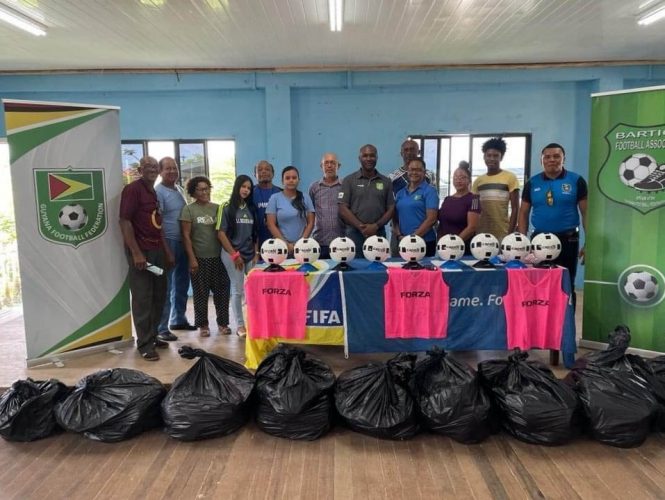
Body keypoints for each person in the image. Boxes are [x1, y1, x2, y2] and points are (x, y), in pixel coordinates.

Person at [518, 143, 588, 306]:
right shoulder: (532, 183)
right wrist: (522, 241)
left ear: (564, 158)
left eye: (556, 156)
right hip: (539, 241)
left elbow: (586, 213)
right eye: (547, 157)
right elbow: (523, 213)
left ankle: (566, 325)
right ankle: (542, 322)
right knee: (538, 283)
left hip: (568, 239)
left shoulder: (576, 181)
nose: (552, 160)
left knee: (566, 283)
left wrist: (588, 242)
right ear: (541, 160)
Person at [119, 156, 174, 362]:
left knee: (158, 294)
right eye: (147, 166)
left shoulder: (154, 192)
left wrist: (167, 252)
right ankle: (144, 344)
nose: (151, 169)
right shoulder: (133, 190)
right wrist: (136, 252)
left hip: (157, 253)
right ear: (140, 169)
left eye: (154, 166)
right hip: (141, 255)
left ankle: (152, 336)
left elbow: (158, 225)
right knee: (143, 297)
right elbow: (124, 222)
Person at [180, 176, 231, 337]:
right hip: (199, 259)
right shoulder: (188, 210)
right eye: (200, 189)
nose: (204, 192)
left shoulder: (217, 208)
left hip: (219, 258)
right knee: (200, 294)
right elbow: (186, 237)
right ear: (193, 192)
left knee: (222, 293)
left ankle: (223, 324)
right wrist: (192, 259)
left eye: (206, 188)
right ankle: (203, 325)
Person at [154, 157, 195, 341]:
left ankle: (178, 319)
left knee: (181, 284)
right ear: (160, 172)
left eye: (174, 168)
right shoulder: (159, 192)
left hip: (182, 242)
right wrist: (166, 250)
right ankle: (162, 328)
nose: (172, 171)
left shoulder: (177, 189)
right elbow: (158, 223)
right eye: (168, 168)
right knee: (167, 286)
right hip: (168, 243)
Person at [217, 175, 258, 338]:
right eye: (243, 186)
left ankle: (254, 323)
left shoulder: (251, 208)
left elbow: (255, 235)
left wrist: (256, 253)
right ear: (237, 187)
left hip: (250, 255)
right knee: (237, 289)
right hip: (231, 254)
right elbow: (220, 234)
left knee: (253, 290)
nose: (246, 190)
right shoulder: (226, 207)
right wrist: (235, 255)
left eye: (249, 188)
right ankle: (240, 326)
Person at [339, 144, 395, 257]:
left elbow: (391, 208)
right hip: (354, 233)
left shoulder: (386, 181)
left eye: (372, 155)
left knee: (379, 269)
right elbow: (342, 208)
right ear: (359, 158)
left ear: (377, 158)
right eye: (365, 156)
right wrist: (361, 227)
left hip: (378, 233)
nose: (369, 159)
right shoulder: (349, 180)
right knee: (354, 268)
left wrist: (376, 226)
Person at [388, 139, 436, 255]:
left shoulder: (430, 177)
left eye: (412, 149)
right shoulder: (392, 177)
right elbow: (393, 212)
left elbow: (432, 214)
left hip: (424, 237)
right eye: (406, 150)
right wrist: (399, 234)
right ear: (401, 153)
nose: (409, 152)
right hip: (399, 235)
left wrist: (414, 237)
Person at [471, 137, 520, 242]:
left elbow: (515, 209)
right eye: (489, 155)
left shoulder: (510, 178)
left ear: (501, 157)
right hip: (481, 235)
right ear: (484, 157)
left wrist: (509, 235)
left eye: (496, 156)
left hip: (503, 234)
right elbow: (473, 208)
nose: (492, 159)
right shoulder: (478, 182)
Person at [266, 166, 315, 255]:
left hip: (303, 248)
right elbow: (270, 224)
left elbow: (311, 223)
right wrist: (285, 244)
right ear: (282, 181)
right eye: (287, 178)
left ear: (298, 180)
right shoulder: (275, 198)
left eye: (294, 178)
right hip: (280, 247)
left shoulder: (305, 197)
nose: (291, 180)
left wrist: (300, 243)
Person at [437, 163, 481, 254]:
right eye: (455, 178)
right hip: (444, 248)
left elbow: (472, 227)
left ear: (469, 180)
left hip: (462, 248)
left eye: (462, 178)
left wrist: (454, 244)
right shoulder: (447, 199)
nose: (458, 180)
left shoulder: (474, 199)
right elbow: (441, 223)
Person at [309, 152, 344, 259]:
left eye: (333, 163)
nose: (329, 166)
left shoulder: (345, 186)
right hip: (320, 241)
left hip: (342, 242)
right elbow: (311, 213)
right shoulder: (314, 187)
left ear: (338, 166)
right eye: (326, 163)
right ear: (321, 166)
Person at [252, 160, 282, 252]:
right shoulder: (249, 193)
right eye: (260, 170)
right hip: (255, 245)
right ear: (255, 174)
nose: (264, 172)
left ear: (273, 174)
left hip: (278, 244)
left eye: (267, 169)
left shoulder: (281, 193)